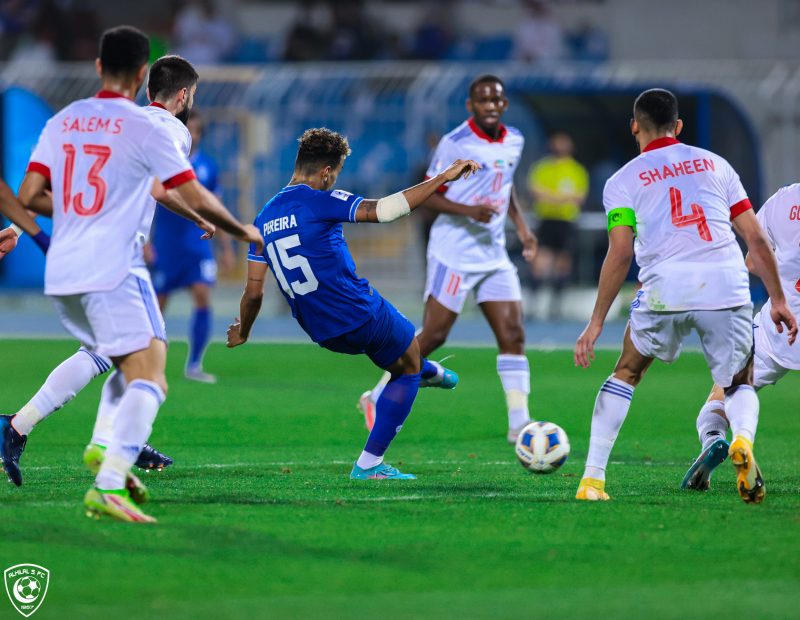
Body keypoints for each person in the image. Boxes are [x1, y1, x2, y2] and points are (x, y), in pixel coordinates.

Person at [0, 26, 262, 523]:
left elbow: (44, 193)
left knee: (106, 353)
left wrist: (18, 227)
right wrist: (232, 226)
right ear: (175, 92)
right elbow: (169, 191)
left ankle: (21, 426)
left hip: (65, 264)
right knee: (151, 368)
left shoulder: (72, 120)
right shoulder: (164, 129)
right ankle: (109, 465)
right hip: (115, 261)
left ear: (103, 69)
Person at [573, 88, 797, 504]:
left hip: (665, 287)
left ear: (634, 127)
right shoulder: (716, 165)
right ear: (678, 127)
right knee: (738, 381)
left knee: (627, 372)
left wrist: (596, 321)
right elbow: (756, 239)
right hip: (726, 284)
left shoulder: (621, 181)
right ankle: (742, 440)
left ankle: (592, 480)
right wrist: (778, 299)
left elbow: (620, 253)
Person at [226, 127, 477, 480]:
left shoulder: (263, 218)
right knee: (406, 369)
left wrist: (244, 330)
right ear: (327, 172)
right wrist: (443, 177)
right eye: (337, 173)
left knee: (405, 352)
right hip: (356, 311)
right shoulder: (320, 199)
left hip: (320, 330)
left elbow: (254, 292)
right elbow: (386, 211)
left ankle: (431, 371)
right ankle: (370, 463)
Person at [358, 74, 538, 443]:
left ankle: (519, 423)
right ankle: (375, 395)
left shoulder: (515, 140)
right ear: (471, 106)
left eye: (496, 100)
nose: (490, 106)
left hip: (492, 253)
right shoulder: (455, 142)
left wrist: (521, 227)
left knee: (513, 334)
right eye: (482, 101)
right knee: (436, 334)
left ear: (504, 104)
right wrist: (467, 210)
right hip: (453, 251)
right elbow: (428, 194)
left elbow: (506, 188)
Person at [681, 183, 800, 492]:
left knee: (728, 388)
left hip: (781, 325)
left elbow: (751, 260)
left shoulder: (785, 199)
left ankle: (728, 438)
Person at [150, 108, 234, 384]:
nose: (193, 135)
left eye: (197, 130)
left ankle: (195, 363)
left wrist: (226, 246)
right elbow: (149, 200)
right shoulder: (164, 162)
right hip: (166, 244)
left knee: (202, 294)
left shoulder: (208, 166)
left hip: (199, 244)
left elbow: (215, 207)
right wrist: (144, 242)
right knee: (157, 305)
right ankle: (149, 364)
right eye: (190, 129)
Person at [528, 131, 588, 318]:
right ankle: (534, 306)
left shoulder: (577, 170)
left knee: (563, 262)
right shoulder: (542, 168)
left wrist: (552, 197)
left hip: (566, 221)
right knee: (540, 261)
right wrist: (560, 199)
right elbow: (536, 191)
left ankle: (557, 307)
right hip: (546, 220)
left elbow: (579, 197)